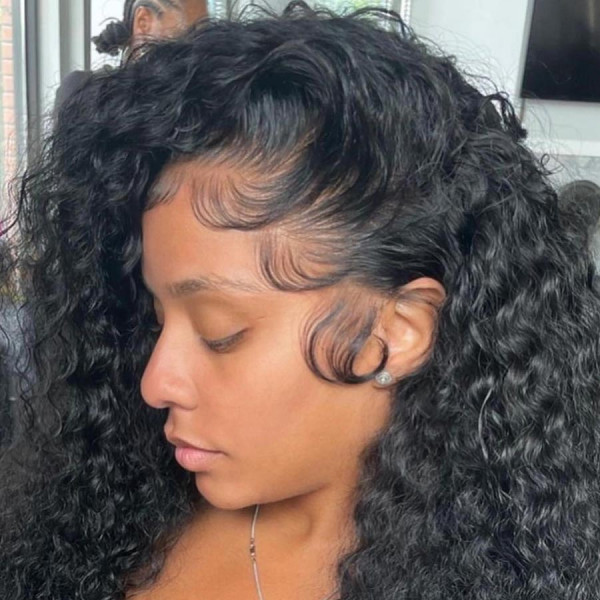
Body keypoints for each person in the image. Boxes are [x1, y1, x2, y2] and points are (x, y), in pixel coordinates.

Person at [3, 3, 600, 599]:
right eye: (157, 320)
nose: (155, 384)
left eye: (219, 333)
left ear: (397, 331)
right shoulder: (105, 525)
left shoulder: (514, 574)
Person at [55, 0, 208, 111]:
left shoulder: (201, 98)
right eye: (191, 35)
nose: (201, 47)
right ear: (143, 22)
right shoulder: (84, 93)